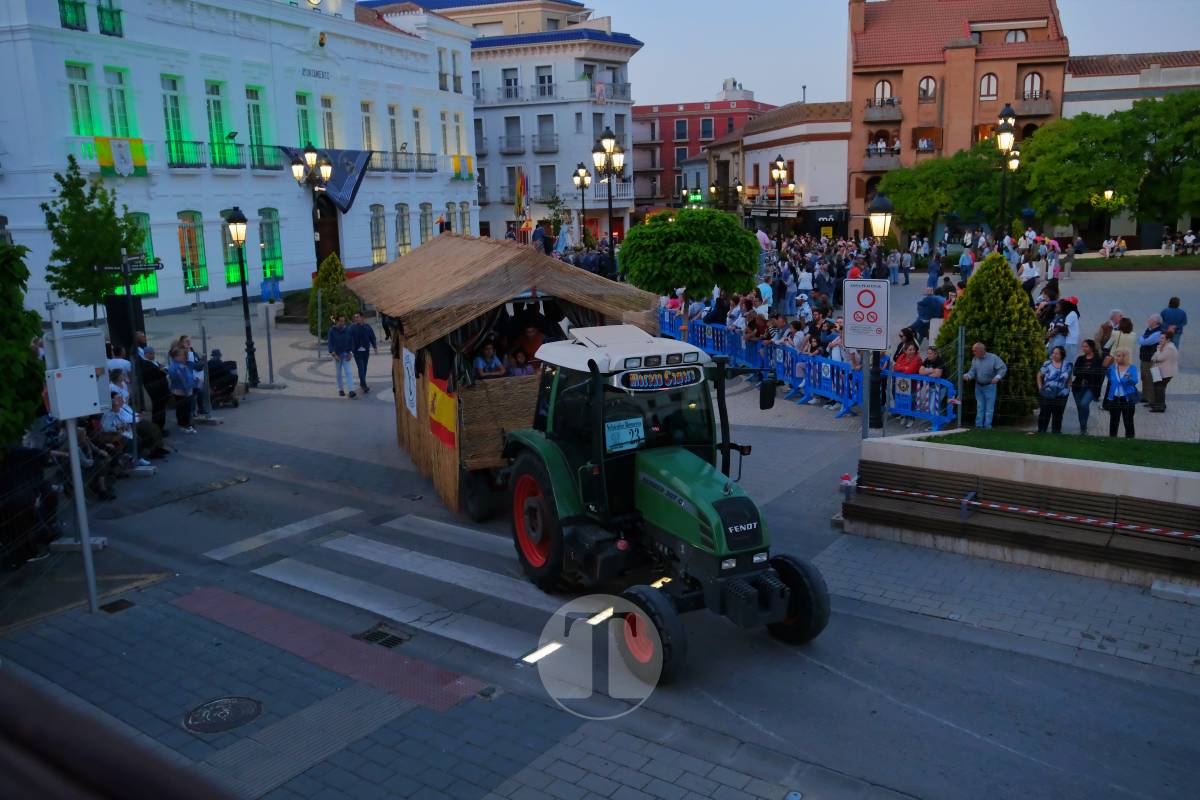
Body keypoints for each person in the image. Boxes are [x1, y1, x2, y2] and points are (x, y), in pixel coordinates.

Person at [963, 342, 1006, 429]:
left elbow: (1003, 368)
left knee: (989, 408)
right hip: (978, 386)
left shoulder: (993, 358)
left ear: (981, 350)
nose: (973, 352)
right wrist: (968, 376)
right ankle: (978, 426)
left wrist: (997, 377)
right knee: (980, 406)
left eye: (975, 351)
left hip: (990, 386)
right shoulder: (975, 359)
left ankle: (987, 426)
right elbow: (972, 371)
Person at [1036, 346, 1072, 434]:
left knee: (1058, 415)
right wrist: (1040, 388)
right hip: (1047, 392)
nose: (1054, 355)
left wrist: (1068, 388)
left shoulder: (1067, 365)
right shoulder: (1047, 364)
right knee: (1044, 413)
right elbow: (1039, 375)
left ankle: (1056, 432)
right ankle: (1041, 430)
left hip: (1062, 395)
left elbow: (1069, 378)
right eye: (1053, 353)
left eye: (1056, 353)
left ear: (1062, 355)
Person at [1103, 348, 1139, 438]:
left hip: (1127, 399)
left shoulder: (1132, 368)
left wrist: (1128, 378)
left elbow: (1135, 381)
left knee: (1128, 422)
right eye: (1116, 356)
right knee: (1113, 421)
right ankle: (1112, 439)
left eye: (1119, 356)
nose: (1116, 358)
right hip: (1114, 398)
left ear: (1125, 357)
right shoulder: (1112, 368)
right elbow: (1108, 376)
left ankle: (1130, 440)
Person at [1071, 339, 1104, 435]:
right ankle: (1083, 427)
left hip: (1091, 387)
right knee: (1080, 407)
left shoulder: (1098, 360)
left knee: (1084, 404)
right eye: (1083, 346)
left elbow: (1098, 374)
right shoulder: (1080, 359)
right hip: (1078, 386)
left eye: (1086, 346)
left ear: (1091, 347)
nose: (1084, 348)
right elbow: (1075, 372)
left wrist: (1085, 371)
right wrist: (1087, 371)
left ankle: (1083, 427)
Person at [167, 347, 197, 434]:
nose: (184, 356)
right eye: (181, 355)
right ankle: (186, 425)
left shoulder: (179, 365)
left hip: (182, 391)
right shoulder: (178, 367)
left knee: (182, 409)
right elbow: (182, 380)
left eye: (184, 355)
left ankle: (183, 424)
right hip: (183, 391)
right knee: (185, 409)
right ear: (175, 356)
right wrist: (187, 391)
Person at [1137, 315, 1164, 408]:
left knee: (1150, 379)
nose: (1148, 320)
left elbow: (1144, 341)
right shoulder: (1149, 330)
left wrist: (1142, 338)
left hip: (1151, 360)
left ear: (1156, 322)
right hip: (1144, 358)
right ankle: (1145, 396)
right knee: (1144, 378)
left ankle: (1152, 400)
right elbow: (1141, 339)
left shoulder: (1158, 332)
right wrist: (1142, 338)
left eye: (1150, 319)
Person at [327, 315, 356, 397]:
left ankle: (351, 390)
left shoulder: (347, 330)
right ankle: (341, 389)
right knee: (339, 373)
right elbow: (330, 343)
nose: (342, 323)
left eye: (343, 321)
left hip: (346, 353)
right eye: (340, 321)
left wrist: (351, 352)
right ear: (337, 321)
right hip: (337, 355)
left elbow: (351, 341)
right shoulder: (332, 330)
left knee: (348, 372)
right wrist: (334, 354)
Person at [1149, 333, 1178, 412]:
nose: (1160, 340)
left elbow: (1159, 358)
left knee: (1160, 389)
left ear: (1168, 340)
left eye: (1162, 338)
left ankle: (1160, 407)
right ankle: (1158, 404)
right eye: (1160, 338)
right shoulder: (1164, 346)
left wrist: (1158, 350)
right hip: (1159, 372)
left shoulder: (1169, 348)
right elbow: (1153, 358)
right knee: (1158, 388)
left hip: (1165, 373)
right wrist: (1156, 355)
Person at [350, 312, 378, 394]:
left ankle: (362, 382)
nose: (356, 319)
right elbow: (348, 338)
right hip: (357, 351)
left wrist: (375, 347)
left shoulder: (367, 327)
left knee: (364, 367)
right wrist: (350, 349)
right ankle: (363, 385)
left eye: (357, 317)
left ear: (362, 317)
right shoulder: (352, 327)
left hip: (366, 351)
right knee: (361, 367)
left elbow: (372, 337)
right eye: (355, 317)